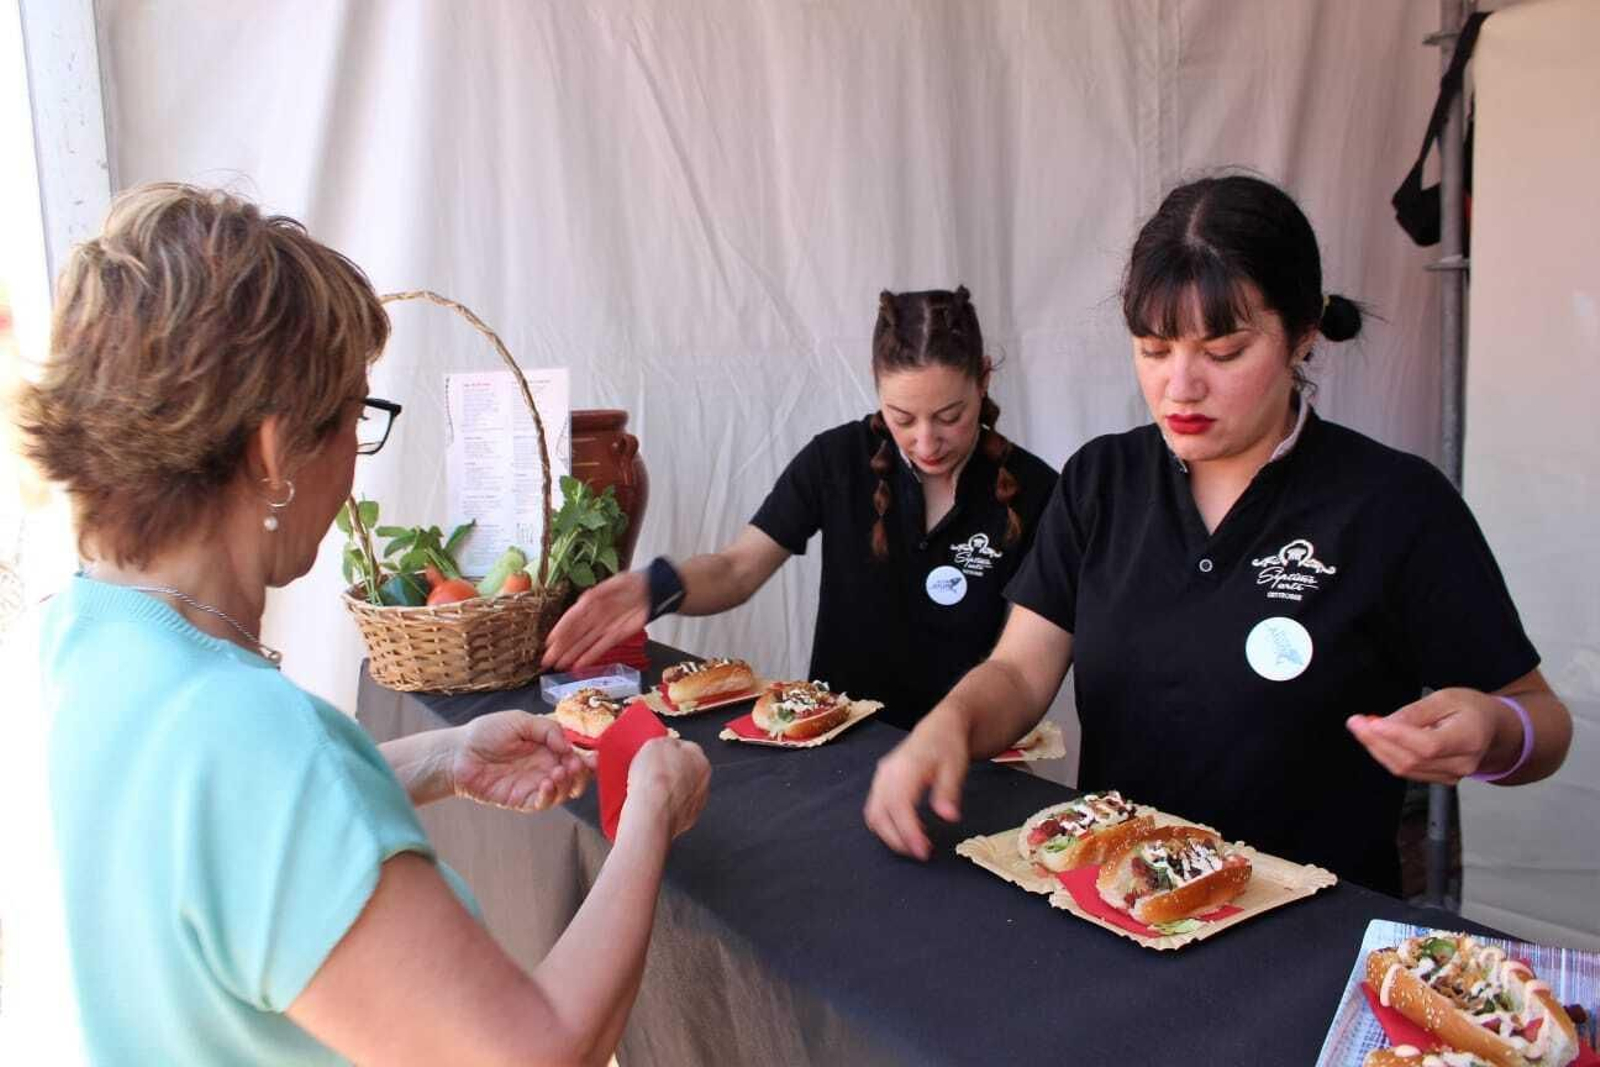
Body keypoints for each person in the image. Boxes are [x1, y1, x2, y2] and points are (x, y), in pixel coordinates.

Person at [14, 183, 710, 1065]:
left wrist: (434, 759)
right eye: (355, 417)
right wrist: (647, 813)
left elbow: (215, 836)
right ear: (272, 451)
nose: (353, 458)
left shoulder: (78, 630)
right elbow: (534, 1052)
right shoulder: (253, 740)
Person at [863, 175, 1572, 894]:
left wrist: (1493, 729)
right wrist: (951, 721)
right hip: (1124, 911)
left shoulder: (1393, 504)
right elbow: (1019, 671)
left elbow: (1543, 721)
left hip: (1312, 937)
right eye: (1153, 347)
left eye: (1224, 351)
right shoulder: (1102, 480)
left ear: (1301, 334)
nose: (1181, 386)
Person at [542, 287, 1059, 731]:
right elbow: (736, 568)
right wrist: (656, 586)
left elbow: (1022, 667)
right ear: (876, 389)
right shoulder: (835, 461)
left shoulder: (1038, 490)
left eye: (950, 416)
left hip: (967, 755)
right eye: (902, 417)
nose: (926, 442)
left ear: (984, 381)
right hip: (838, 740)